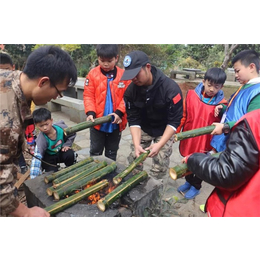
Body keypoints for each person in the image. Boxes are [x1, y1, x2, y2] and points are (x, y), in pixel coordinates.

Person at [0, 45, 77, 217]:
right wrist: (26, 213)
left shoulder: (13, 79)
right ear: (43, 82)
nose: (58, 98)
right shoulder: (6, 117)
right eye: (59, 92)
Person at [184, 108, 260, 217]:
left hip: (241, 208)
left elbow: (227, 173)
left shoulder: (254, 120)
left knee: (208, 161)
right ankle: (190, 182)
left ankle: (195, 186)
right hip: (227, 144)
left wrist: (192, 159)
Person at [122, 50, 183, 179]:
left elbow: (174, 121)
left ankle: (155, 189)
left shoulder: (170, 89)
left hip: (164, 129)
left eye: (136, 74)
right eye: (130, 75)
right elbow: (133, 120)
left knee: (160, 163)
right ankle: (135, 183)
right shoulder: (130, 92)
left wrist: (159, 145)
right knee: (135, 156)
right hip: (144, 127)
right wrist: (137, 144)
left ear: (148, 67)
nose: (133, 78)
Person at [176, 68, 227, 199]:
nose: (211, 89)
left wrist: (222, 110)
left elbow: (225, 119)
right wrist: (176, 131)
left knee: (200, 164)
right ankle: (188, 182)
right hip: (190, 137)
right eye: (209, 85)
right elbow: (183, 115)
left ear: (221, 87)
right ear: (203, 81)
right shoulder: (191, 95)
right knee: (188, 161)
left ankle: (196, 186)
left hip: (205, 141)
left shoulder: (221, 104)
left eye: (216, 87)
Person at [83, 44, 131, 161]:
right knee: (95, 152)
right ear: (98, 58)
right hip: (97, 122)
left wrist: (120, 113)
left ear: (116, 58)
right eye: (102, 60)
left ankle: (110, 174)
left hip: (116, 122)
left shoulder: (124, 76)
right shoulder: (92, 74)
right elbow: (88, 95)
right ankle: (94, 174)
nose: (105, 64)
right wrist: (90, 113)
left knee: (112, 152)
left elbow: (128, 97)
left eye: (109, 61)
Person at [210, 49, 260, 152]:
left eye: (238, 71)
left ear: (251, 67)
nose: (236, 75)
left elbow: (251, 124)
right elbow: (238, 110)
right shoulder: (244, 87)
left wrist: (225, 127)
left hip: (236, 147)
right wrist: (223, 109)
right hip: (225, 142)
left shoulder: (257, 92)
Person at [0, 52, 36, 175]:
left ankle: (21, 167)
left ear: (13, 68)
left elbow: (27, 114)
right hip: (6, 139)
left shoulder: (22, 87)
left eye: (6, 71)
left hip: (19, 130)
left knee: (18, 147)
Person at [29, 107, 76, 179]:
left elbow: (72, 134)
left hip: (60, 152)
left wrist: (67, 145)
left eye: (46, 124)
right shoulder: (42, 139)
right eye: (41, 126)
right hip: (49, 158)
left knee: (69, 153)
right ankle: (54, 173)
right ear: (36, 126)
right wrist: (34, 177)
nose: (45, 128)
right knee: (52, 173)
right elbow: (37, 157)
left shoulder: (61, 129)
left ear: (51, 121)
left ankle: (70, 169)